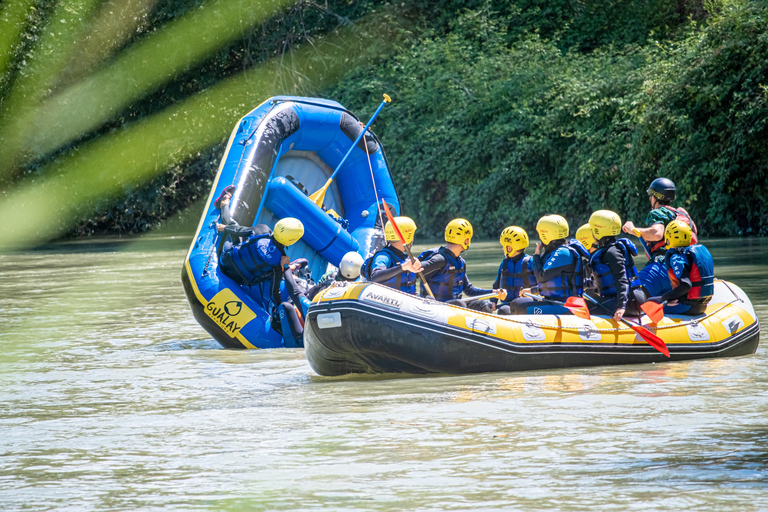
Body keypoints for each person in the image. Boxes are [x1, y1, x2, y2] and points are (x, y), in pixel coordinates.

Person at [219, 218, 304, 333]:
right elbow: (275, 291)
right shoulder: (280, 261)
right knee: (270, 273)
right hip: (239, 279)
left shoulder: (262, 229)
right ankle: (292, 267)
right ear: (292, 240)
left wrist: (225, 228)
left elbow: (239, 230)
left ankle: (224, 204)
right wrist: (278, 307)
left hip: (225, 261)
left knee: (234, 225)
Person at [622, 177, 697, 298]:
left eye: (650, 196)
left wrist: (633, 230)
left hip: (662, 267)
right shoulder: (682, 214)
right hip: (683, 270)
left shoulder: (658, 213)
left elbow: (657, 234)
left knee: (629, 295)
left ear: (655, 197)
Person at [418, 218, 505, 311]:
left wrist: (493, 292)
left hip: (455, 306)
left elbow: (469, 290)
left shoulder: (461, 262)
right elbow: (413, 271)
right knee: (459, 304)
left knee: (485, 305)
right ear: (466, 240)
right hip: (436, 307)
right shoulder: (439, 259)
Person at [510, 214, 589, 314]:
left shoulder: (563, 253)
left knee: (518, 306)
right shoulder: (553, 253)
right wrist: (533, 290)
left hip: (566, 306)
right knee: (514, 304)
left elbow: (541, 277)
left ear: (545, 234)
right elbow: (554, 282)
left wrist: (536, 255)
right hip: (553, 302)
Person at [585, 210, 647, 322]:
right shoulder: (609, 250)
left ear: (598, 230)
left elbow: (622, 280)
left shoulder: (613, 252)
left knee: (586, 309)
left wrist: (621, 307)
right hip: (624, 299)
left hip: (628, 302)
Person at [645, 220, 714, 316]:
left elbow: (686, 285)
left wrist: (664, 298)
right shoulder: (692, 254)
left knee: (648, 302)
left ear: (669, 238)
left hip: (687, 306)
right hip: (702, 305)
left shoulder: (676, 258)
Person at [363, 216, 423, 294]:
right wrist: (403, 267)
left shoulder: (406, 258)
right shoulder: (383, 256)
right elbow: (375, 276)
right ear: (408, 236)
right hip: (389, 303)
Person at [492, 226, 536, 315]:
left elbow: (542, 283)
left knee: (505, 310)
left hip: (527, 305)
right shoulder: (504, 264)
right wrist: (493, 301)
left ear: (509, 248)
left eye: (504, 246)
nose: (503, 249)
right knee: (503, 310)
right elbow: (496, 285)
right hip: (507, 306)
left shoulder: (531, 262)